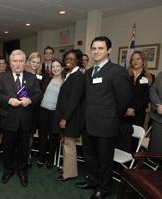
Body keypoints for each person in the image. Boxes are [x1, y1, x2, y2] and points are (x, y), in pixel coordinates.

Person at [77, 36, 131, 199]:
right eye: (94, 48)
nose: (96, 51)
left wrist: (112, 117)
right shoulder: (88, 72)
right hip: (88, 123)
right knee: (89, 156)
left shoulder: (117, 71)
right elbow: (86, 97)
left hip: (107, 124)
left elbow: (123, 100)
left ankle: (103, 187)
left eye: (100, 48)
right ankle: (92, 180)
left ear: (109, 50)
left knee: (105, 160)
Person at [0, 49, 42, 187]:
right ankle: (8, 171)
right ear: (10, 62)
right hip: (8, 120)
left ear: (25, 62)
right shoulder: (2, 77)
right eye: (15, 61)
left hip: (26, 122)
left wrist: (30, 100)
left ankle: (22, 171)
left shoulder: (32, 77)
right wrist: (8, 100)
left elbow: (39, 95)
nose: (18, 64)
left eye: (21, 61)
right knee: (8, 148)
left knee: (24, 149)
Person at [53, 49, 85, 181]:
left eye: (71, 59)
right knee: (66, 143)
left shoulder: (78, 76)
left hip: (71, 118)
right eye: (67, 58)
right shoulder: (70, 74)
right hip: (67, 116)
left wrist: (65, 118)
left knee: (69, 145)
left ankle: (69, 173)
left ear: (78, 60)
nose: (68, 61)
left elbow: (74, 100)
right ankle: (68, 169)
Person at [123, 51, 152, 152]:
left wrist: (134, 109)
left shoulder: (149, 77)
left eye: (138, 59)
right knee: (122, 137)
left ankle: (131, 162)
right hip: (124, 112)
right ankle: (119, 163)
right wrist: (125, 109)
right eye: (133, 59)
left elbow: (146, 97)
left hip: (138, 113)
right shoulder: (125, 75)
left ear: (143, 61)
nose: (135, 61)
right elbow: (121, 93)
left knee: (134, 139)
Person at [38, 59, 63, 169]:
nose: (55, 68)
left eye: (58, 66)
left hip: (56, 113)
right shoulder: (46, 79)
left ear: (62, 68)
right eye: (53, 67)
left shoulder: (65, 81)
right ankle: (41, 157)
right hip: (43, 111)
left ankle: (50, 159)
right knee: (42, 136)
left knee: (53, 137)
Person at [24, 52, 43, 168]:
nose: (35, 64)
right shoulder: (24, 74)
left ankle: (27, 155)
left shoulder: (40, 75)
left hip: (35, 110)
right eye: (33, 62)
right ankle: (22, 155)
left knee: (30, 134)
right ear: (29, 62)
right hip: (24, 108)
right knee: (23, 134)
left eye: (37, 62)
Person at [149, 71, 162, 153]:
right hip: (159, 120)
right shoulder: (161, 74)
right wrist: (158, 105)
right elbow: (152, 90)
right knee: (155, 151)